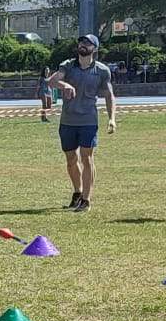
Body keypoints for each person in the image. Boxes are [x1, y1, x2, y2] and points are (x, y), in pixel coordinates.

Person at [47, 33, 117, 212]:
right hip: (68, 120)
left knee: (87, 157)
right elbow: (52, 81)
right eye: (81, 42)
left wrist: (112, 118)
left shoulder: (102, 70)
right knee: (71, 159)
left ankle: (86, 199)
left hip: (88, 121)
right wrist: (65, 85)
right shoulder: (68, 66)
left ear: (95, 48)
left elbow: (109, 95)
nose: (83, 45)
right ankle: (77, 193)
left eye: (87, 43)